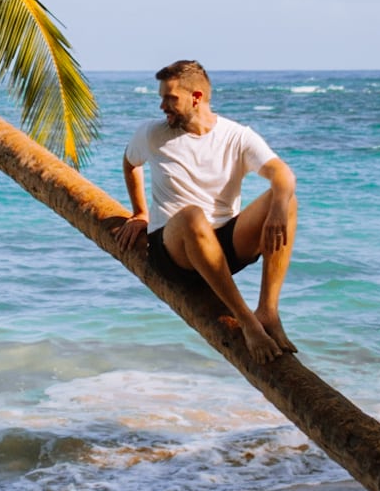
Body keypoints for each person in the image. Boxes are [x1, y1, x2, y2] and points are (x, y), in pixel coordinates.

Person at [114, 60, 298, 364]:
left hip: (225, 248)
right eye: (161, 97)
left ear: (196, 97)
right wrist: (140, 213)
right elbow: (130, 162)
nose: (162, 106)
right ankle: (248, 321)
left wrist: (278, 207)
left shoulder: (236, 136)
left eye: (170, 98)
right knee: (192, 216)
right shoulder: (152, 134)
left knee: (286, 198)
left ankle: (267, 311)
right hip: (174, 252)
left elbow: (282, 172)